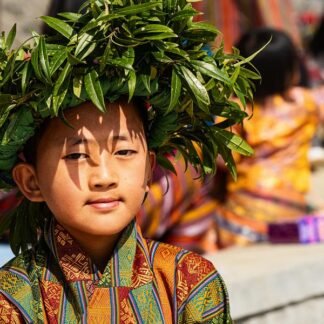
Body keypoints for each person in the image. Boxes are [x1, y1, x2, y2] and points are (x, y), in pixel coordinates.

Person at [0, 0, 257, 322]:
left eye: (123, 152)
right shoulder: (12, 298)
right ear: (31, 181)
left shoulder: (188, 280)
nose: (104, 176)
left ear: (150, 168)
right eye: (77, 155)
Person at [214, 27, 324, 248]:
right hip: (289, 213)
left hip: (238, 223)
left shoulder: (235, 110)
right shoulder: (305, 102)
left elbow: (224, 161)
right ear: (291, 70)